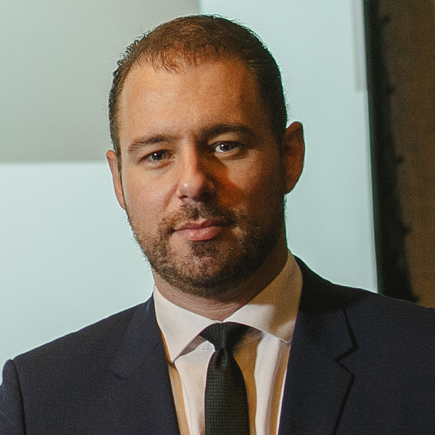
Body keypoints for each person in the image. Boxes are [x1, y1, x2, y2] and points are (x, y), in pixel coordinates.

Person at [0, 15, 434, 435]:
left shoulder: (422, 359)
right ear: (118, 180)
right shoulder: (39, 400)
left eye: (226, 145)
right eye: (157, 155)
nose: (193, 183)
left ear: (290, 156)